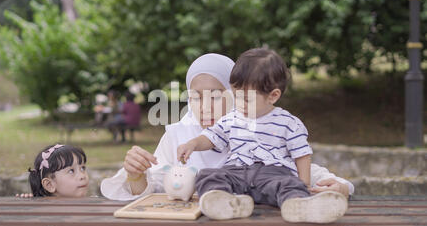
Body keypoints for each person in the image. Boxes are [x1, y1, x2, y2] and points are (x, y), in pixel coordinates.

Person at [100, 53, 354, 204]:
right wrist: (135, 175)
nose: (205, 107)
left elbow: (305, 172)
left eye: (216, 95)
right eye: (196, 97)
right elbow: (154, 185)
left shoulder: (257, 126)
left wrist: (340, 187)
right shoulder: (179, 134)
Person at [177, 48, 348, 223]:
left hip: (272, 174)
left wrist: (304, 185)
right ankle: (226, 202)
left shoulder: (288, 123)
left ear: (273, 96)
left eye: (246, 99)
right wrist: (193, 144)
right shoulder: (231, 119)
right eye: (236, 96)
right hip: (237, 171)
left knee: (290, 184)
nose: (239, 104)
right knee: (208, 175)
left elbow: (302, 155)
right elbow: (211, 137)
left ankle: (300, 205)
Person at [21, 144, 90, 197]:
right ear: (49, 185)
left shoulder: (92, 203)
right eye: (71, 171)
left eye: (82, 168)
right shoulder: (44, 211)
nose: (82, 176)